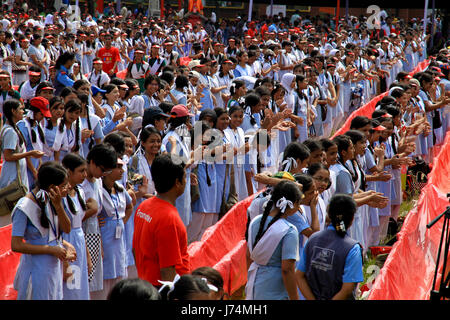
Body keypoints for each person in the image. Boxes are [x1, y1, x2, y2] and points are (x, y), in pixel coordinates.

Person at [10, 161, 76, 300]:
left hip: (52, 269)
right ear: (52, 187)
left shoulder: (53, 199)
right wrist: (50, 250)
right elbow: (16, 245)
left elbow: (67, 228)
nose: (68, 187)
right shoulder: (24, 207)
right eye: (64, 185)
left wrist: (64, 245)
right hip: (36, 270)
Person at [133, 153, 191, 288]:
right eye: (184, 177)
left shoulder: (144, 206)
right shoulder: (169, 219)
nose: (186, 181)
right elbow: (168, 270)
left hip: (147, 285)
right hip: (163, 289)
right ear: (177, 182)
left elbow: (135, 250)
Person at [296, 194, 364, 300]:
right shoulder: (352, 248)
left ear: (329, 215)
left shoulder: (313, 238)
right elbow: (347, 289)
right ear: (351, 219)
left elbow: (299, 276)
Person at [246, 180, 302, 300]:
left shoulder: (256, 221)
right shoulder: (289, 230)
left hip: (254, 284)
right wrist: (294, 297)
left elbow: (248, 255)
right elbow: (287, 269)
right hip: (275, 289)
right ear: (294, 203)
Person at [0, 99, 44, 227]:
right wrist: (30, 154)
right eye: (20, 109)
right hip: (12, 176)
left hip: (16, 174)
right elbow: (8, 156)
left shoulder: (13, 129)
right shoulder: (10, 131)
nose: (22, 111)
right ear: (13, 111)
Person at [61, 153, 91, 300]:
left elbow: (80, 226)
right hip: (67, 242)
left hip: (79, 241)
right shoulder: (60, 196)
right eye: (81, 171)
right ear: (69, 172)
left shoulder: (79, 191)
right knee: (69, 287)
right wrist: (65, 262)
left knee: (79, 286)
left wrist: (87, 255)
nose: (85, 175)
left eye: (85, 171)